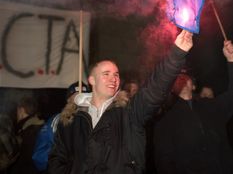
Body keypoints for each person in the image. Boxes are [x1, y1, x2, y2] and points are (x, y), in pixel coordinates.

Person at [48, 29, 193, 174]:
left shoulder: (130, 113)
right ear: (92, 80)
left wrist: (177, 53)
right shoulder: (70, 119)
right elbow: (57, 161)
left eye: (116, 75)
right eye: (106, 74)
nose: (114, 79)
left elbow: (154, 89)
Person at [154, 39, 233, 174]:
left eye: (186, 75)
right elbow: (164, 163)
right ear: (171, 88)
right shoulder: (165, 121)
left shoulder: (211, 106)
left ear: (194, 85)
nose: (181, 77)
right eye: (177, 76)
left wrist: (231, 60)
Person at [32, 82, 90, 173]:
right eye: (77, 96)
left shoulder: (97, 118)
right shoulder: (58, 121)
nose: (82, 99)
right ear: (68, 99)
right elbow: (40, 154)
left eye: (85, 96)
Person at [8, 95, 44, 174]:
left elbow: (20, 162)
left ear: (21, 110)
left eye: (17, 110)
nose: (16, 113)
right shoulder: (40, 127)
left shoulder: (27, 132)